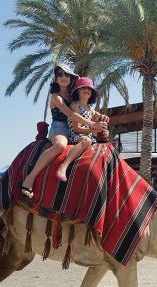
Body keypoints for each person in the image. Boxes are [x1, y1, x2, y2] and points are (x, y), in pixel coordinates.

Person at [21, 65, 108, 199]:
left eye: (66, 74)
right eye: (60, 74)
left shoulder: (73, 97)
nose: (63, 77)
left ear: (71, 78)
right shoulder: (56, 97)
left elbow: (88, 110)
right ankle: (30, 178)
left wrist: (101, 117)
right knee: (60, 145)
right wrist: (91, 123)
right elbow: (70, 114)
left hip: (75, 129)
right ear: (55, 79)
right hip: (59, 127)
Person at [56, 77, 109, 182]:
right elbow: (76, 128)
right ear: (78, 91)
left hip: (88, 136)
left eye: (89, 89)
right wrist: (93, 130)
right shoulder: (74, 105)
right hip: (76, 136)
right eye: (83, 88)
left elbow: (99, 119)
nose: (86, 90)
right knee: (86, 140)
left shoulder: (91, 109)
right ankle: (64, 166)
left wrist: (103, 121)